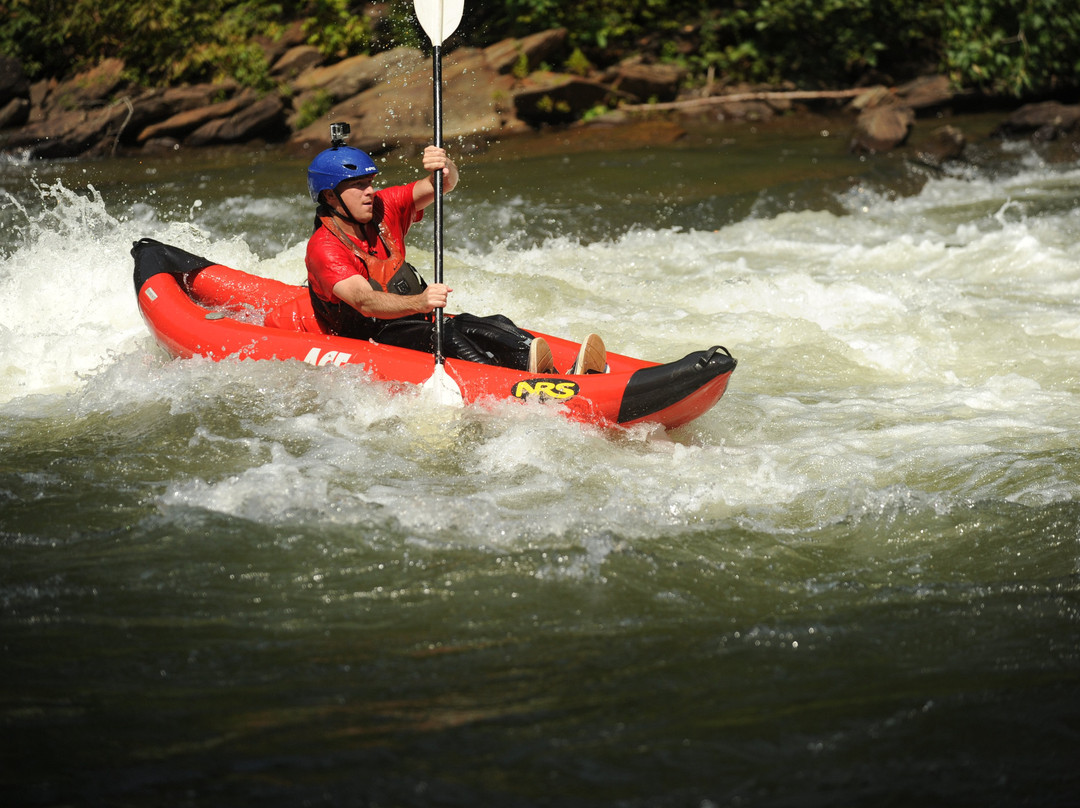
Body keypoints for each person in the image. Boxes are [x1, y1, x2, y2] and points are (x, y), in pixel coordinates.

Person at [304, 129, 606, 375]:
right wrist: (421, 301)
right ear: (330, 196)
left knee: (492, 323)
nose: (369, 191)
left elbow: (442, 184)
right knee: (442, 335)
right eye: (357, 186)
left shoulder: (383, 207)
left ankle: (550, 372)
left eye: (369, 183)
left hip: (411, 321)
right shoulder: (324, 247)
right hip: (369, 339)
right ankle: (501, 381)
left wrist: (444, 165)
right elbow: (365, 301)